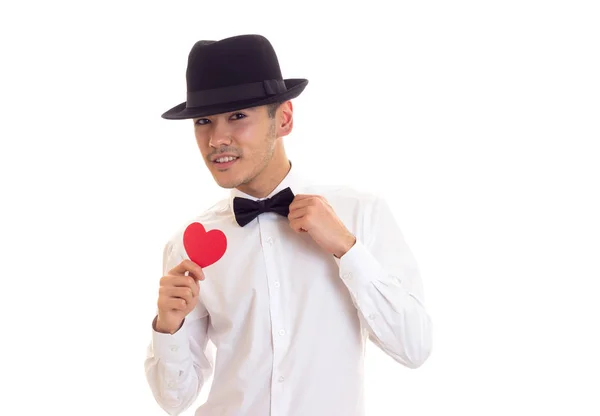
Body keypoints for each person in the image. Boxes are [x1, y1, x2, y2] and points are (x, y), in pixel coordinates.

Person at [144, 34, 432, 416]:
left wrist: (347, 249)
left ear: (284, 118)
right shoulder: (188, 244)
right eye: (203, 121)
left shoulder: (361, 214)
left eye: (238, 116)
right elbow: (173, 399)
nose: (216, 139)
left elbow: (414, 348)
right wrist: (169, 326)